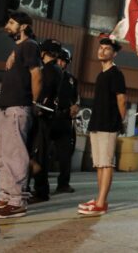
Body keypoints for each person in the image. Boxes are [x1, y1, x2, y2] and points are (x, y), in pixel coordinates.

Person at [0, 12, 41, 219]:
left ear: (23, 26)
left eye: (11, 22)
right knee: (3, 156)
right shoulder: (19, 48)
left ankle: (17, 201)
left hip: (18, 107)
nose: (7, 26)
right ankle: (5, 197)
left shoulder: (30, 46)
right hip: (6, 108)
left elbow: (37, 75)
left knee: (15, 156)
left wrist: (34, 103)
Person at [78, 37, 127, 216]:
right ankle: (100, 199)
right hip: (97, 123)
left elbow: (121, 99)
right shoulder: (101, 75)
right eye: (101, 48)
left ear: (114, 54)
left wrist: (121, 121)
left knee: (106, 164)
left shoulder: (116, 74)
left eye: (107, 49)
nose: (102, 51)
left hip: (108, 124)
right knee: (99, 164)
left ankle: (100, 203)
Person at [31, 38, 64, 202]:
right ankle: (38, 189)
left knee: (39, 154)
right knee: (38, 154)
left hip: (43, 116)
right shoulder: (56, 69)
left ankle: (41, 191)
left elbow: (46, 91)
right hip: (48, 116)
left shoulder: (50, 70)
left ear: (43, 52)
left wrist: (37, 105)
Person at [52, 47, 79, 194]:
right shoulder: (48, 74)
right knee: (40, 153)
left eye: (64, 61)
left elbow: (75, 99)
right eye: (59, 60)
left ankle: (63, 184)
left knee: (65, 154)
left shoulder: (71, 80)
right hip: (49, 117)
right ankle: (34, 186)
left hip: (65, 119)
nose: (61, 63)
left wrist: (75, 107)